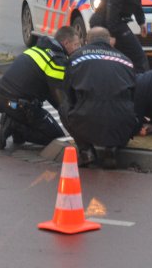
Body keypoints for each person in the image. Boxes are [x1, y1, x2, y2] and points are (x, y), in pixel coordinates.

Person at [60, 26, 140, 168]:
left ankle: (86, 152)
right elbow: (135, 96)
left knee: (63, 106)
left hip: (86, 124)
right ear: (110, 41)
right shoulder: (127, 61)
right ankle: (112, 149)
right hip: (122, 125)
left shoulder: (75, 59)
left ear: (86, 41)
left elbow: (69, 94)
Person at [0, 26, 82, 149]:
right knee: (56, 138)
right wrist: (76, 127)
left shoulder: (39, 49)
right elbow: (60, 98)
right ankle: (15, 125)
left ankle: (14, 126)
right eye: (76, 45)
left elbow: (50, 92)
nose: (79, 48)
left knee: (34, 116)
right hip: (19, 105)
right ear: (66, 43)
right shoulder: (56, 60)